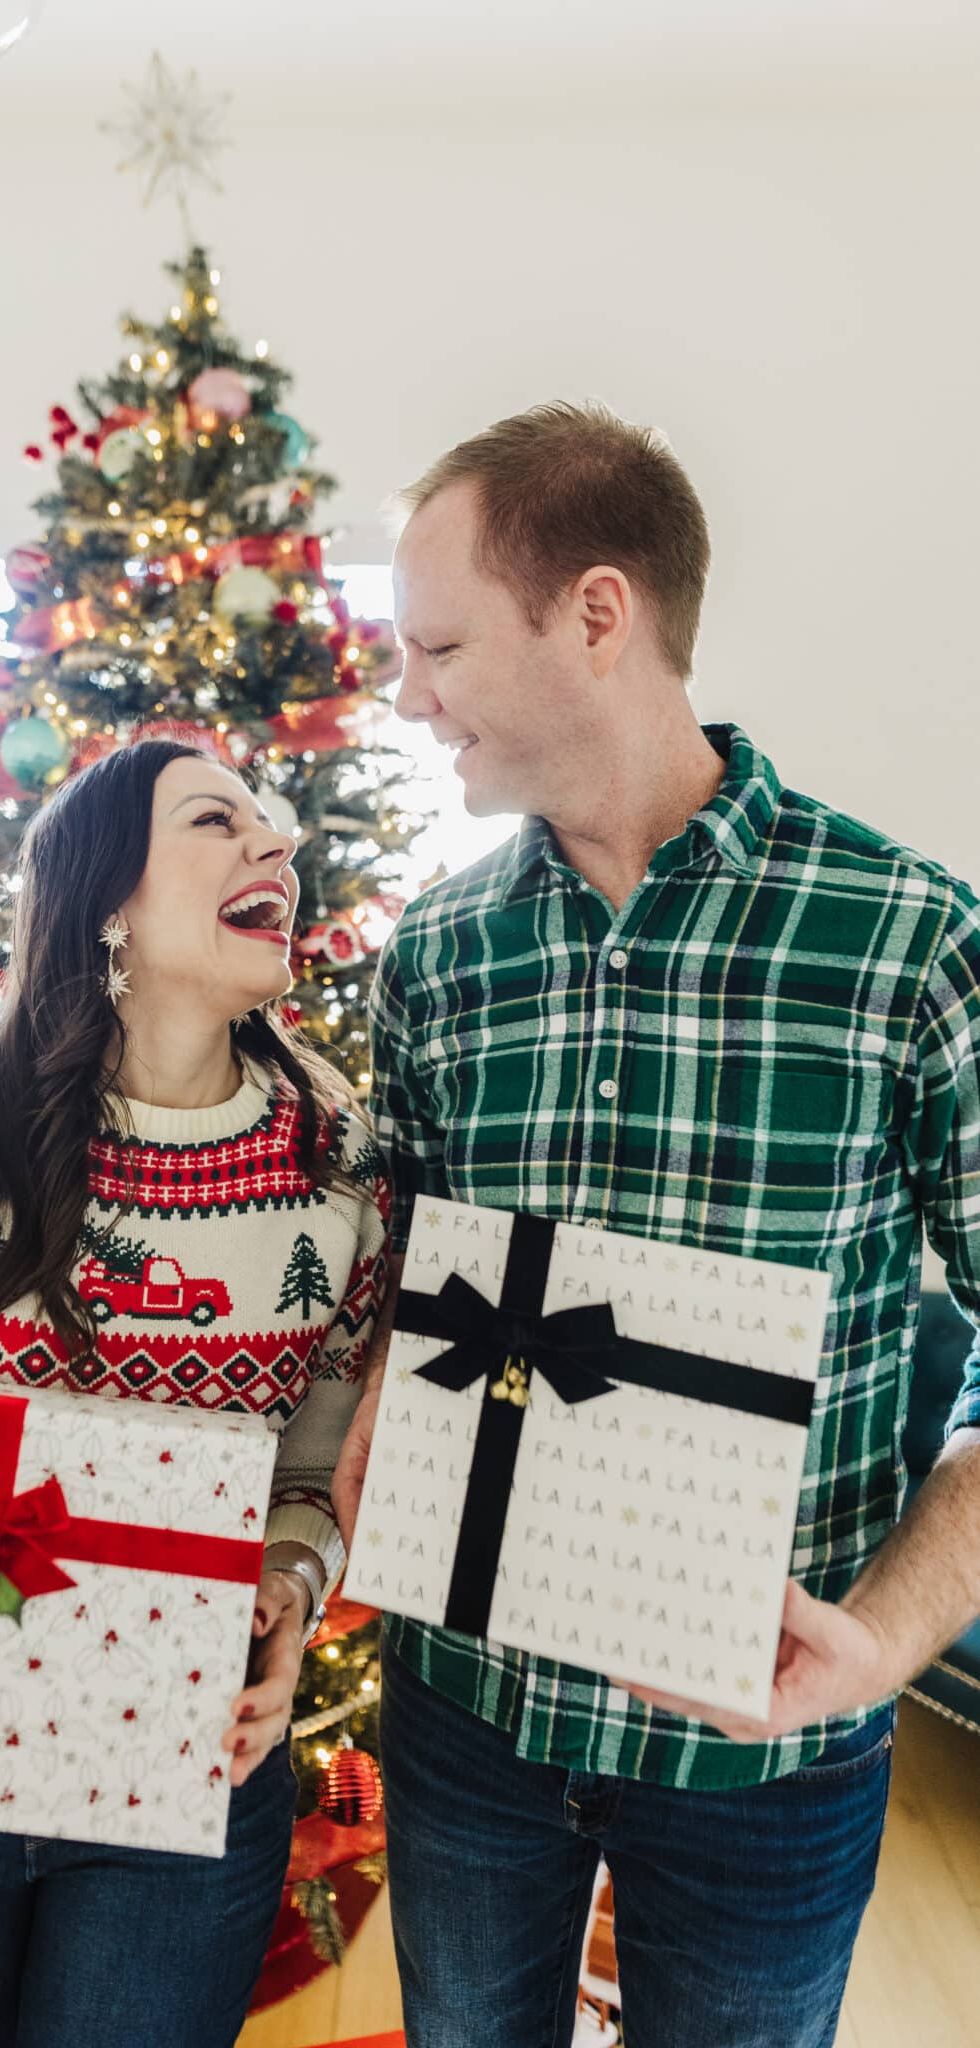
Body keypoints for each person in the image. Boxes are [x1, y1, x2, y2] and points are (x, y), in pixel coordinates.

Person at [331, 402, 980, 2048]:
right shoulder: (438, 956)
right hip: (466, 1715)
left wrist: (884, 1641)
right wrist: (367, 1429)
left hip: (763, 1764)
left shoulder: (911, 947)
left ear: (596, 616)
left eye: (439, 646)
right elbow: (401, 1271)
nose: (401, 697)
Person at [0, 736, 390, 2048]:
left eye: (274, 824)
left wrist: (284, 1593)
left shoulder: (342, 1172)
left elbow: (316, 1478)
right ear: (108, 902)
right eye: (220, 821)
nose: (281, 846)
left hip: (186, 1768)